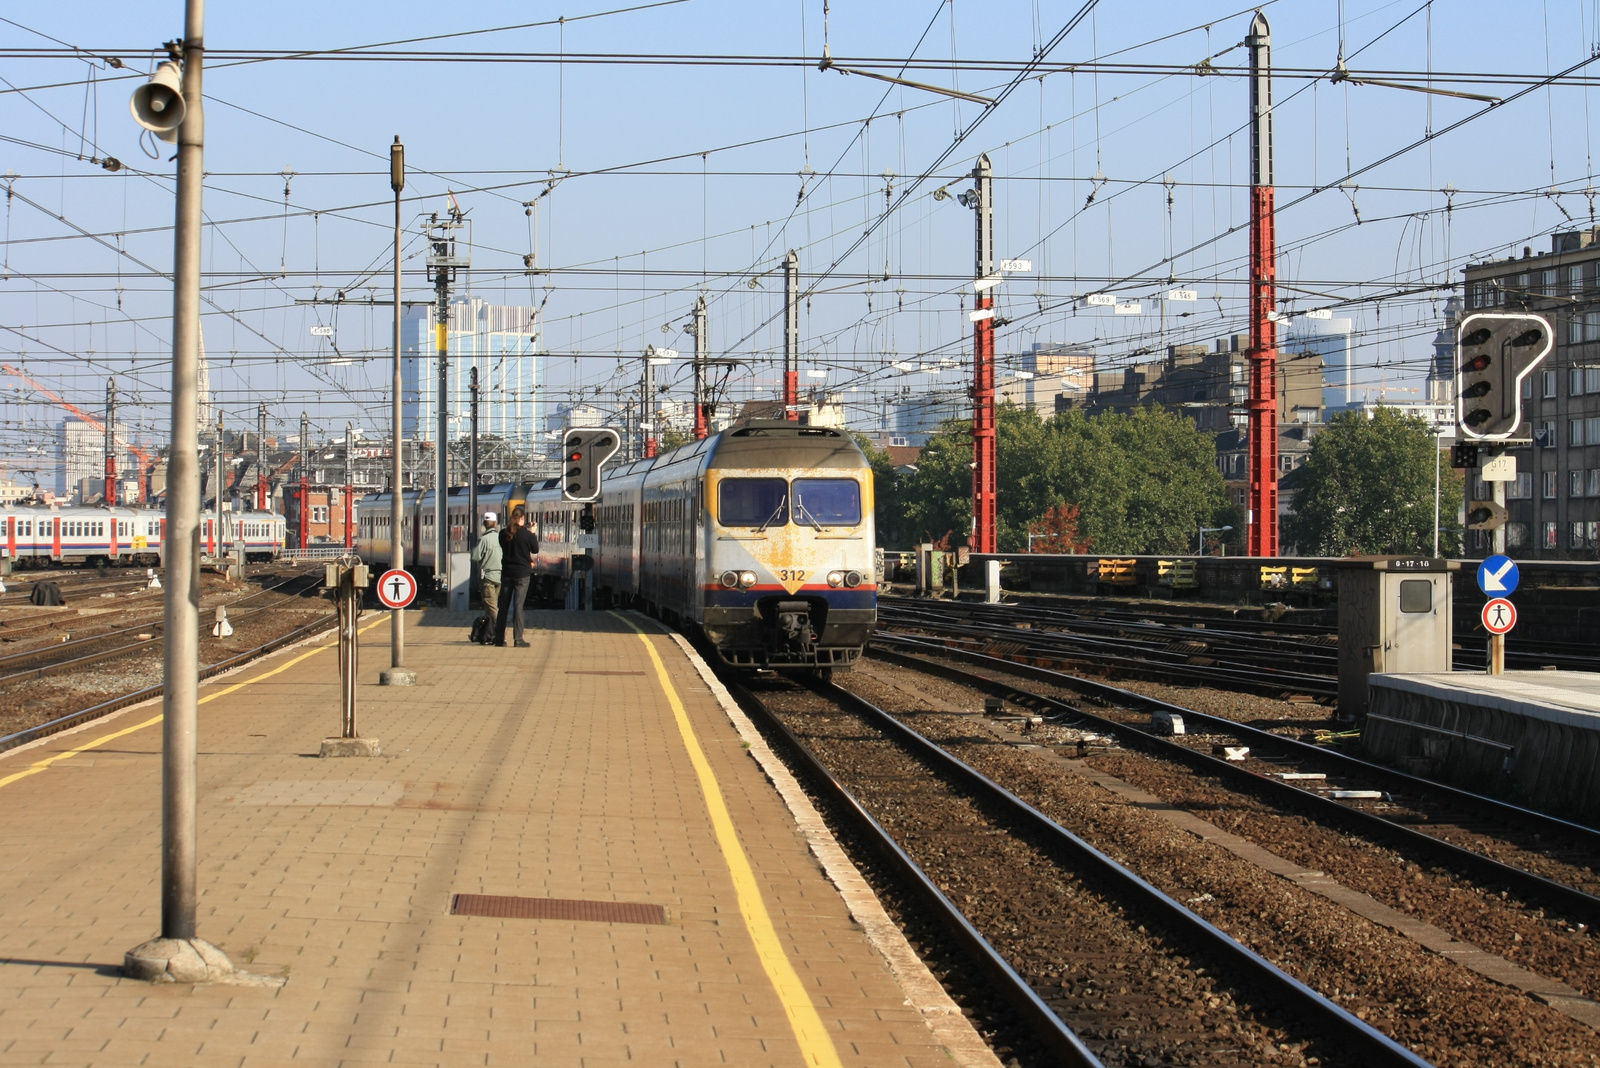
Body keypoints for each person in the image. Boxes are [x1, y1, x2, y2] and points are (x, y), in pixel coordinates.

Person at [494, 504, 539, 648]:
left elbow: (504, 546)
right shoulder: (526, 534)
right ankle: (518, 639)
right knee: (518, 607)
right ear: (522, 518)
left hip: (507, 573)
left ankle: (499, 638)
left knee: (503, 606)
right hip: (522, 574)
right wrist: (532, 533)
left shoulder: (503, 533)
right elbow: (535, 549)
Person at [471, 511, 502, 634]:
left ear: (484, 524)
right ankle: (487, 632)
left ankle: (499, 632)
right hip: (500, 576)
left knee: (492, 607)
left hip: (488, 578)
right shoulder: (502, 537)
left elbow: (475, 556)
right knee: (491, 606)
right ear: (496, 523)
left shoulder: (484, 539)